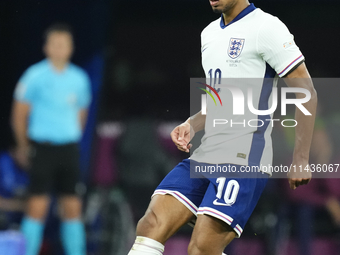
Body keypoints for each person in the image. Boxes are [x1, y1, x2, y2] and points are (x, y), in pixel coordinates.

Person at [127, 1, 317, 255]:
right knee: (150, 225)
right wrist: (192, 124)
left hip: (245, 157)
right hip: (207, 154)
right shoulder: (209, 33)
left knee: (202, 247)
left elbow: (306, 92)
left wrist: (301, 158)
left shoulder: (267, 28)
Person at [11, 23, 91, 255]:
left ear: (71, 47)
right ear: (46, 47)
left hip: (68, 150)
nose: (59, 48)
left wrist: (70, 137)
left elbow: (82, 117)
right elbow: (19, 116)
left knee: (73, 207)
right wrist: (24, 147)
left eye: (64, 44)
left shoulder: (80, 78)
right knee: (37, 207)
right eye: (55, 44)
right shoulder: (34, 75)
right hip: (42, 150)